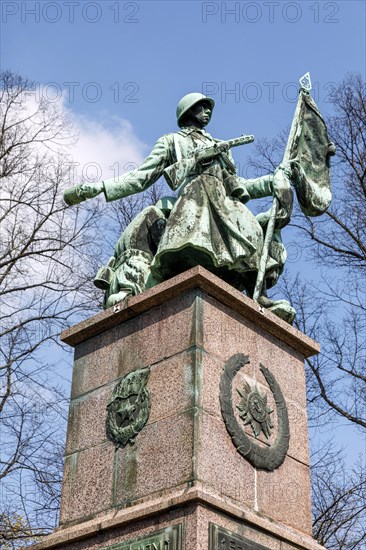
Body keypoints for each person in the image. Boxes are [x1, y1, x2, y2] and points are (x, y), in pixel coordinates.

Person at [64, 93, 295, 322]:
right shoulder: (171, 141)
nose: (207, 112)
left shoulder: (222, 148)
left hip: (223, 203)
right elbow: (140, 177)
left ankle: (261, 296)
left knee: (250, 231)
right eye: (201, 108)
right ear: (188, 111)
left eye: (208, 109)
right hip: (194, 199)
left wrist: (272, 181)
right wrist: (98, 188)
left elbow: (237, 184)